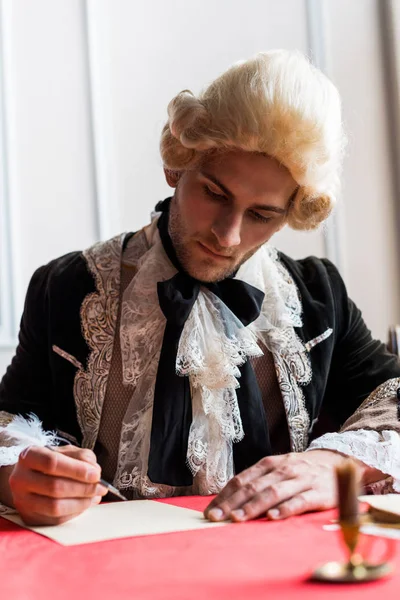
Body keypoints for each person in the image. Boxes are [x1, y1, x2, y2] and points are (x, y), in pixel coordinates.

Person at [0, 49, 399, 527]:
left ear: (291, 213)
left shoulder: (317, 295)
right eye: (214, 193)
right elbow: (10, 423)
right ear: (177, 165)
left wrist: (332, 465)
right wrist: (18, 477)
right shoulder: (67, 286)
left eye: (262, 214)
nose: (227, 236)